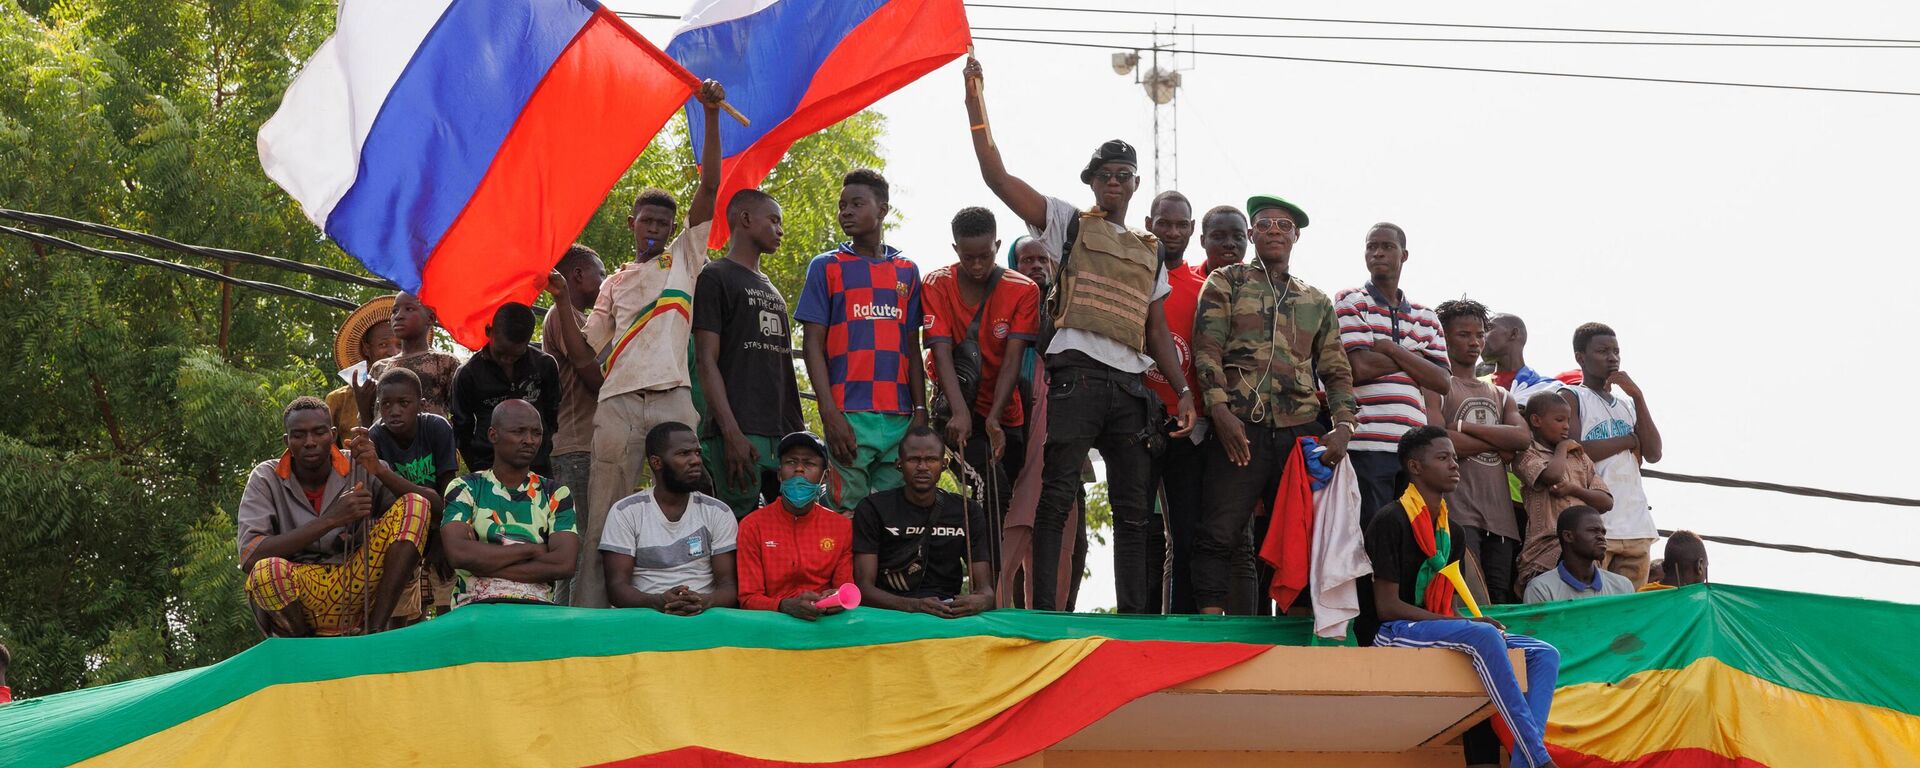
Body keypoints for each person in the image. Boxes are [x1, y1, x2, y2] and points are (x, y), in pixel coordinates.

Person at [964, 56, 1195, 613]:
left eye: (1123, 176)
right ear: (1090, 182)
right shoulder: (1069, 222)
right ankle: (1047, 613)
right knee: (1057, 497)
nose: (1114, 183)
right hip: (1079, 379)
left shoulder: (1149, 251)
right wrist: (976, 103)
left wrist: (1184, 390)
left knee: (1134, 512)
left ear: (1135, 183)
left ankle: (1135, 620)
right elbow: (996, 177)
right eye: (1105, 176)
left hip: (1133, 389)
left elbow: (1157, 329)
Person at [573, 81, 727, 608]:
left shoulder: (683, 259)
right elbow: (585, 350)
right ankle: (591, 621)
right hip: (617, 403)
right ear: (632, 223)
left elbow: (709, 188)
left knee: (689, 505)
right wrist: (551, 297)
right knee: (605, 515)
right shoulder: (613, 284)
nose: (657, 227)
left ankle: (698, 602)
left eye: (665, 220)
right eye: (649, 220)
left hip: (671, 396)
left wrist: (709, 115)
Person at [1191, 196, 1357, 616]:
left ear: (1295, 236)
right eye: (1264, 225)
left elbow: (1336, 370)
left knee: (1297, 536)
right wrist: (1220, 411)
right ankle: (1212, 630)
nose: (1274, 231)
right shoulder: (1226, 282)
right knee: (1219, 531)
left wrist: (1343, 426)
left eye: (1283, 225)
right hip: (1240, 426)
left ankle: (1293, 635)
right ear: (1252, 234)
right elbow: (1206, 349)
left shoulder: (1315, 300)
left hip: (1298, 430)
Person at [1358, 425, 1561, 768]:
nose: (1455, 465)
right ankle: (1537, 757)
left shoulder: (1451, 530)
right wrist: (1465, 624)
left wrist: (1462, 623)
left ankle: (1523, 762)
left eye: (1454, 457)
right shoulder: (1390, 519)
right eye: (1443, 458)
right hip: (1388, 633)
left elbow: (1448, 605)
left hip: (1430, 630)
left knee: (1544, 654)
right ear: (1415, 467)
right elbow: (1387, 607)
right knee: (1481, 633)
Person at [238, 397, 439, 636]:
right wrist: (330, 520)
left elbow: (432, 510)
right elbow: (250, 556)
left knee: (415, 504)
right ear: (287, 441)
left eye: (319, 432)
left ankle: (373, 629)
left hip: (356, 583)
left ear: (332, 435)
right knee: (265, 572)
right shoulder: (265, 477)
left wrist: (380, 470)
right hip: (298, 593)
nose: (310, 442)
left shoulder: (361, 464)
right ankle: (306, 647)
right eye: (299, 435)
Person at [798, 169, 927, 513]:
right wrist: (829, 413)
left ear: (882, 210)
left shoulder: (907, 270)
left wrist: (920, 410)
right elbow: (813, 345)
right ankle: (843, 570)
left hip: (899, 415)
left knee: (896, 511)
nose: (846, 212)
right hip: (849, 415)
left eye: (857, 204)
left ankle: (890, 570)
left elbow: (912, 347)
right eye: (842, 206)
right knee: (844, 509)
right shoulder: (827, 266)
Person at [924, 207, 1039, 567]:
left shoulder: (1024, 289)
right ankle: (986, 584)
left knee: (1000, 500)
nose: (977, 265)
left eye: (985, 256)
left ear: (998, 245)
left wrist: (993, 421)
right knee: (992, 489)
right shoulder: (936, 283)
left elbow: (1013, 359)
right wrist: (961, 413)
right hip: (959, 410)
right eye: (968, 257)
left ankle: (996, 582)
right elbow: (941, 352)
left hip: (1005, 414)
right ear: (955, 249)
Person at [694, 189, 807, 521]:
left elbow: (780, 369)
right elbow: (705, 360)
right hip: (740, 431)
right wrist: (731, 433)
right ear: (745, 219)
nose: (780, 230)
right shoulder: (716, 277)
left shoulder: (771, 287)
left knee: (784, 528)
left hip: (781, 433)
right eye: (773, 220)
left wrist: (796, 432)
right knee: (733, 526)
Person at [1336, 223, 1450, 524]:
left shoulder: (1427, 316)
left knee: (1413, 542)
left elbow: (1441, 381)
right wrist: (1418, 358)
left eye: (1387, 246)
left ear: (1404, 254)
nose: (1378, 253)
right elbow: (1359, 367)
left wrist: (1390, 348)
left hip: (1414, 450)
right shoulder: (1350, 300)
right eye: (1371, 246)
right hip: (1366, 443)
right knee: (1372, 537)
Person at [1426, 299, 1531, 604]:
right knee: (1463, 600)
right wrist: (1499, 441)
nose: (1474, 342)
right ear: (1444, 337)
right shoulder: (1437, 387)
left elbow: (1522, 438)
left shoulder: (1501, 394)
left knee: (1499, 600)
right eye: (1463, 334)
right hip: (1457, 514)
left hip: (1501, 519)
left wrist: (1462, 427)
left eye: (1479, 334)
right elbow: (1438, 443)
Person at [440, 399, 579, 606]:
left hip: (537, 607)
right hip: (476, 605)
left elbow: (564, 564)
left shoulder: (556, 494)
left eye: (536, 433)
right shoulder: (465, 488)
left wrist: (481, 562)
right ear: (493, 435)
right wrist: (532, 550)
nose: (529, 440)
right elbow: (458, 553)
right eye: (519, 431)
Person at [853, 427, 995, 616]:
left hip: (948, 612)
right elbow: (863, 589)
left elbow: (985, 589)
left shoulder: (967, 511)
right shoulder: (872, 508)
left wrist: (981, 601)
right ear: (899, 464)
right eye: (913, 459)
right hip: (890, 614)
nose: (922, 467)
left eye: (931, 459)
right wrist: (915, 606)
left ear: (944, 464)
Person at [1562, 322, 1663, 587]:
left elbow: (1653, 453)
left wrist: (1639, 396)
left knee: (1630, 614)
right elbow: (1576, 452)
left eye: (1616, 351)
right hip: (1595, 527)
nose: (1612, 358)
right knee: (1595, 601)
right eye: (1603, 351)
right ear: (1580, 358)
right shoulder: (1572, 396)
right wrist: (1629, 440)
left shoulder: (1628, 404)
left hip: (1636, 526)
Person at [600, 421, 738, 614]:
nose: (696, 460)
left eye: (697, 452)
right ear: (657, 462)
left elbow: (729, 587)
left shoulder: (718, 512)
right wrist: (657, 602)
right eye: (684, 454)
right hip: (646, 615)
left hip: (705, 615)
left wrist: (702, 602)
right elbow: (616, 588)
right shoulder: (626, 512)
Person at [735, 432, 854, 621]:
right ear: (779, 474)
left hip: (823, 623)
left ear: (825, 476)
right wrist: (782, 606)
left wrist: (833, 600)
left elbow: (845, 590)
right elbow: (748, 598)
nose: (799, 469)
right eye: (791, 462)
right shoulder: (753, 525)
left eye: (809, 463)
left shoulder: (840, 527)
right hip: (772, 625)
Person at [541, 244, 606, 543]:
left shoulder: (580, 319)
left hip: (580, 447)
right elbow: (595, 376)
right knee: (581, 542)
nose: (605, 283)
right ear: (578, 275)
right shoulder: (562, 315)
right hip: (576, 448)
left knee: (576, 543)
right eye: (601, 274)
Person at [1514, 395, 1614, 592]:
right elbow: (1552, 475)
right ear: (1536, 421)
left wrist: (1574, 489)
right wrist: (1561, 448)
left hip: (1583, 548)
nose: (1566, 426)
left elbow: (1606, 501)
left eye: (1568, 420)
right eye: (1559, 420)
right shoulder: (1526, 455)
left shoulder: (1580, 457)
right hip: (1544, 552)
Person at [450, 302, 561, 474]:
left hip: (537, 466)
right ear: (489, 332)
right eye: (500, 352)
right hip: (487, 466)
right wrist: (477, 467)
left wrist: (541, 447)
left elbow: (552, 414)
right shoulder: (468, 374)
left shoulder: (544, 366)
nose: (506, 360)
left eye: (515, 355)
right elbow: (461, 428)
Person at [362, 292, 461, 424]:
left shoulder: (444, 362)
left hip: (431, 443)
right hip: (384, 445)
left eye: (409, 309)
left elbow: (461, 415)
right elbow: (371, 421)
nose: (398, 316)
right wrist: (361, 402)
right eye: (394, 311)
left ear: (430, 318)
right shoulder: (379, 368)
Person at [366, 368, 458, 493]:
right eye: (386, 404)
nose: (395, 412)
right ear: (379, 406)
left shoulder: (437, 427)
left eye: (404, 403)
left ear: (421, 405)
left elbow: (449, 487)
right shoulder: (375, 436)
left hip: (439, 507)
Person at [326, 296, 399, 446]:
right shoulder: (340, 399)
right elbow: (327, 451)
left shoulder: (419, 392)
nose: (393, 352)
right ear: (366, 348)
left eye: (400, 345)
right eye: (383, 344)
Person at [1524, 506, 1634, 603]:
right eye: (1593, 530)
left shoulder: (1622, 587)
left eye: (1603, 532)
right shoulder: (1541, 589)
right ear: (1568, 536)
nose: (1601, 537)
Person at [1482, 313, 1564, 406]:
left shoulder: (1550, 388)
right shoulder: (1474, 385)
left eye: (1488, 329)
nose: (1481, 336)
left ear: (1514, 334)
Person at [1641, 531, 1708, 591]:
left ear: (1663, 566)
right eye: (1706, 566)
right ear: (1699, 566)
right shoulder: (1698, 603)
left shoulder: (1641, 594)